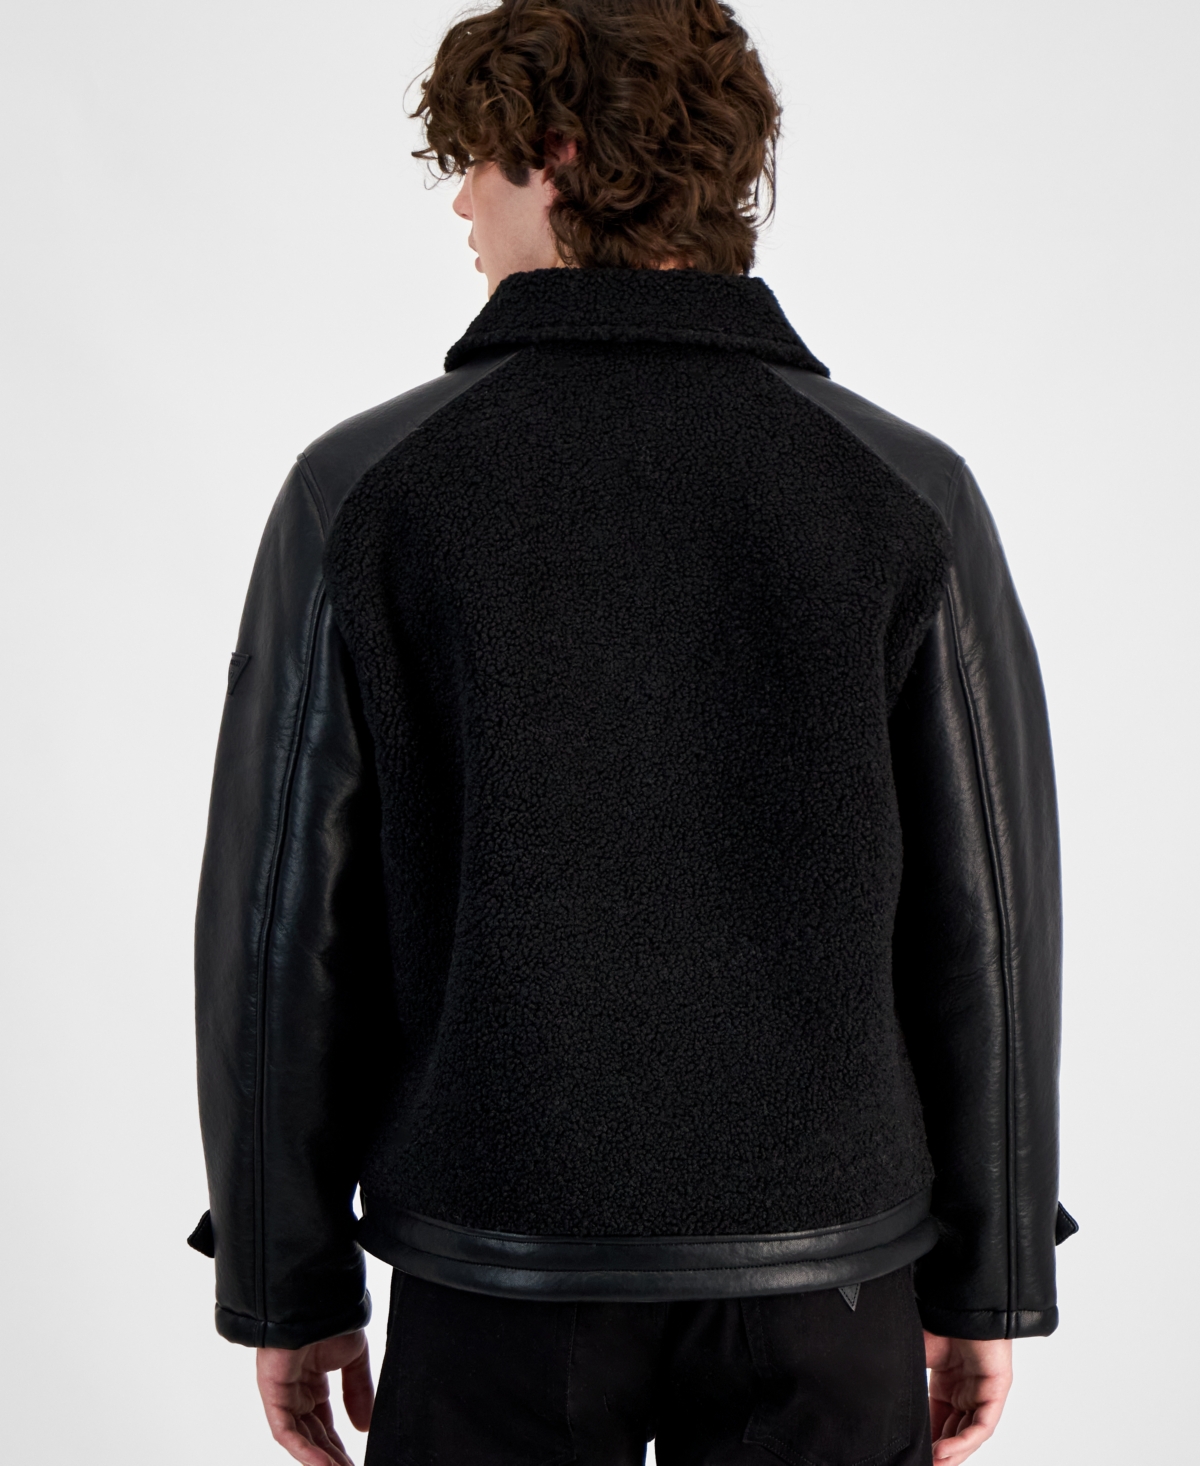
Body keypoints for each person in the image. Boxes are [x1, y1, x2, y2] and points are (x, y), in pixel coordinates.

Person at [188, 2, 1075, 1463]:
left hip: (496, 1266)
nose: (462, 206)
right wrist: (992, 1275)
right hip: (829, 1272)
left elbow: (285, 928)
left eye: (475, 163)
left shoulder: (367, 490)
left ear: (554, 153)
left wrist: (288, 1280)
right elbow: (985, 926)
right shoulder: (904, 489)